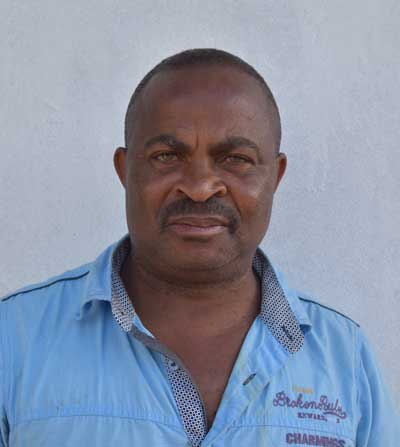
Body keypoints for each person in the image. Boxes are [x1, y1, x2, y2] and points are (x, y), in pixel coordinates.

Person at [0, 48, 398, 447]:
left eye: (236, 159)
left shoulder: (344, 359)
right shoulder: (14, 340)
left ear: (275, 177)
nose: (200, 187)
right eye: (166, 156)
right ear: (125, 170)